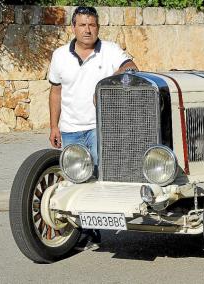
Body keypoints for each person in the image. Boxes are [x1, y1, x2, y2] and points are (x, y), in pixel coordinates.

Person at [47, 6, 138, 249]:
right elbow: (56, 92)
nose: (88, 30)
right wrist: (54, 126)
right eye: (83, 25)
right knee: (78, 179)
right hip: (70, 129)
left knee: (101, 178)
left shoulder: (109, 50)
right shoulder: (59, 56)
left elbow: (131, 67)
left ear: (97, 27)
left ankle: (101, 224)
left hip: (101, 128)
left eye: (92, 25)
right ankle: (86, 231)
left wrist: (109, 81)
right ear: (73, 28)